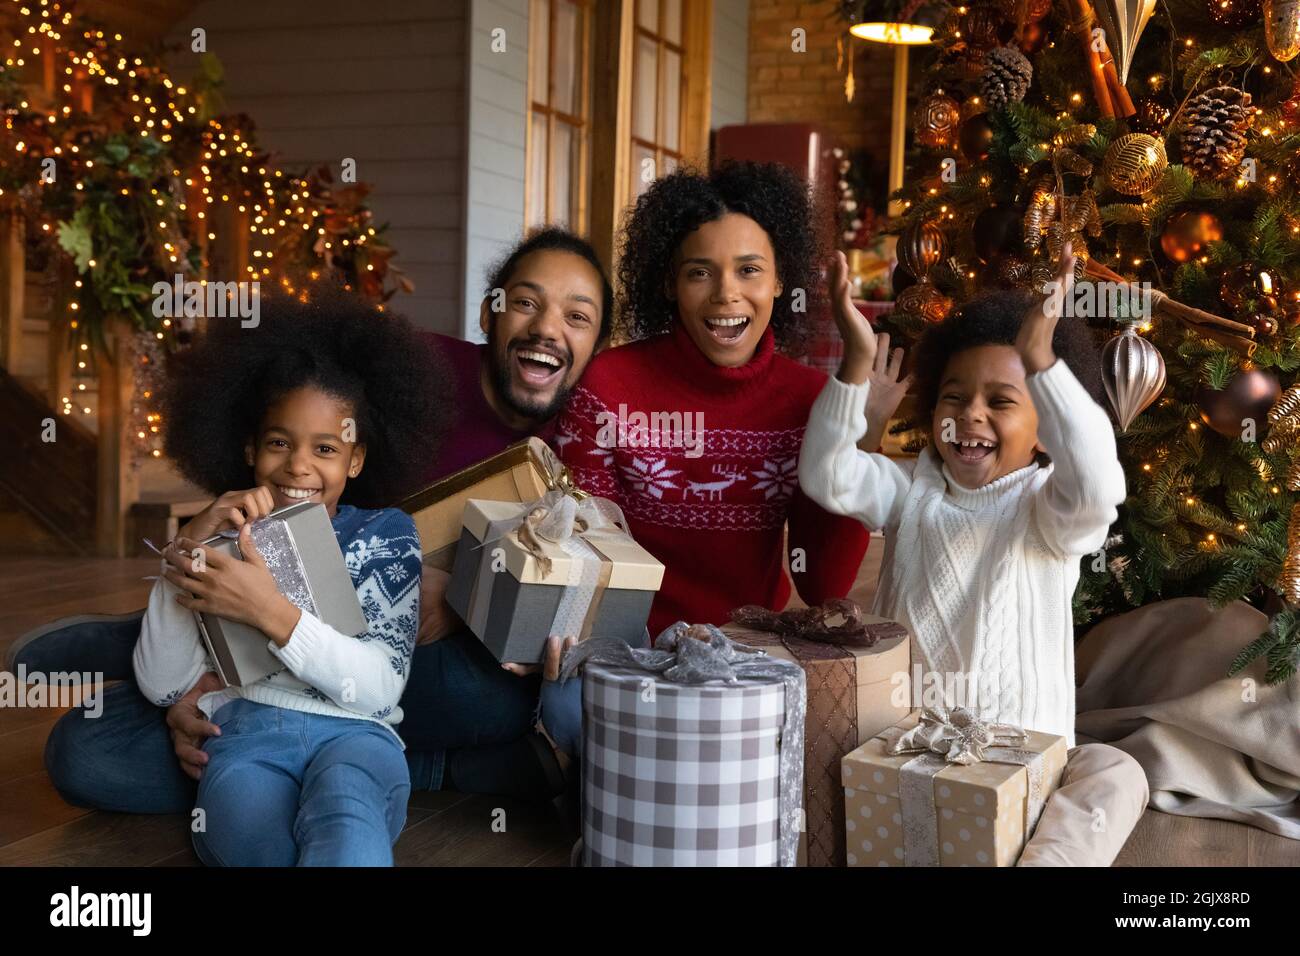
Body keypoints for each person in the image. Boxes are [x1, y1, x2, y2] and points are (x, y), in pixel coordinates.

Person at [18, 227, 611, 814]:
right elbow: (292, 473)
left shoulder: (588, 436)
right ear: (491, 311)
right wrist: (206, 687)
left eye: (577, 317)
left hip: (388, 654)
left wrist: (462, 599)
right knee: (82, 754)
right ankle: (178, 645)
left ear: (595, 345)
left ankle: (379, 760)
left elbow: (579, 593)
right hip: (272, 627)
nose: (546, 328)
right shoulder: (407, 370)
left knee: (493, 696)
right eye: (527, 302)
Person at [798, 244, 1150, 866]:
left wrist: (1043, 361)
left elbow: (1098, 487)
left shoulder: (1048, 508)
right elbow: (828, 475)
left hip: (1019, 762)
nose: (970, 415)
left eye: (1002, 400)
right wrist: (854, 366)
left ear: (1047, 431)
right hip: (905, 750)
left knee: (1116, 772)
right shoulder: (912, 492)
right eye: (953, 398)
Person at [536, 162, 873, 757]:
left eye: (749, 270)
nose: (726, 294)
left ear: (778, 282)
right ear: (668, 283)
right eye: (700, 273)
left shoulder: (810, 401)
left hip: (745, 652)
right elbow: (580, 545)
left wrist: (852, 429)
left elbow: (824, 585)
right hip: (628, 642)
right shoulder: (609, 386)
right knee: (571, 712)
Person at [136, 287, 436, 865]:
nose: (299, 465)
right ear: (250, 448)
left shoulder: (386, 534)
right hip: (245, 734)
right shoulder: (221, 537)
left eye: (326, 448)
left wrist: (269, 612)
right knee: (248, 828)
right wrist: (187, 551)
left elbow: (376, 691)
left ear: (356, 460)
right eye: (279, 442)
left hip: (355, 734)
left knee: (348, 816)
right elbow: (163, 685)